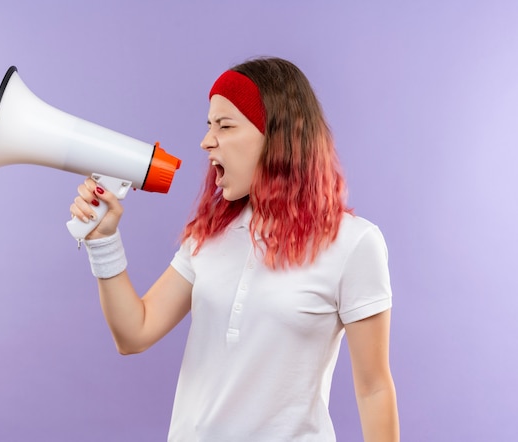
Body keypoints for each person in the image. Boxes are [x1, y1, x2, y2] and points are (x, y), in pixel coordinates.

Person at [70, 57, 399, 441]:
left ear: (278, 138)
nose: (206, 140)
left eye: (225, 126)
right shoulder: (208, 235)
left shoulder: (354, 243)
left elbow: (374, 389)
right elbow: (134, 333)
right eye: (209, 125)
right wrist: (103, 241)